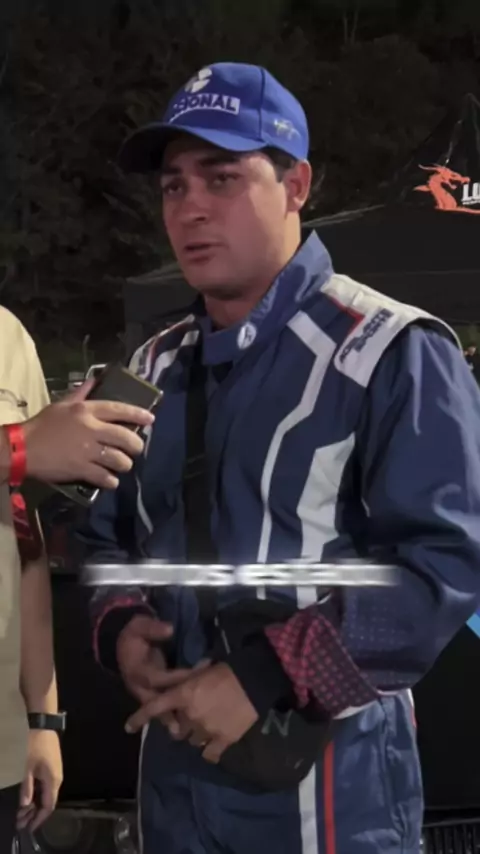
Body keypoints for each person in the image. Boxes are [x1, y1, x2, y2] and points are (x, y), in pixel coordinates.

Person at [80, 63, 480, 854]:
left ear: (296, 185)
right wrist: (121, 624)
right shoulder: (149, 367)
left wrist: (265, 676)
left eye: (222, 177)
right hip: (172, 785)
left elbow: (443, 567)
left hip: (332, 793)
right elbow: (103, 538)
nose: (191, 207)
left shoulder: (394, 349)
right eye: (173, 186)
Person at [0, 304, 154, 852]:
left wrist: (42, 718)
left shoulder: (7, 335)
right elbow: (21, 454)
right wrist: (18, 447)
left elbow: (23, 540)